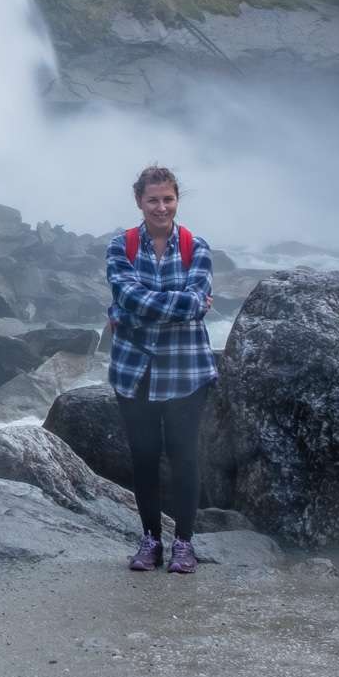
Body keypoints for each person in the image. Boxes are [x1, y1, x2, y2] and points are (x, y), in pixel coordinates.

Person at [105, 164, 216, 574]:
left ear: (176, 200)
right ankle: (150, 540)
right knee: (144, 457)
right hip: (134, 369)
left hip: (186, 369)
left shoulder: (196, 246)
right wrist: (175, 306)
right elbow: (136, 296)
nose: (161, 207)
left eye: (168, 199)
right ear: (139, 201)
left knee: (185, 456)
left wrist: (127, 310)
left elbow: (189, 300)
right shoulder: (121, 246)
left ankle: (183, 544)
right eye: (153, 199)